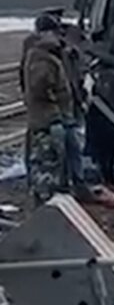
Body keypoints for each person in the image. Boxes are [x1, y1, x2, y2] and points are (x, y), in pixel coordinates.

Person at [21, 13, 78, 203]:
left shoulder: (44, 54)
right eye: (54, 32)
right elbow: (40, 89)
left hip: (49, 118)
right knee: (47, 163)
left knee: (50, 161)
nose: (57, 36)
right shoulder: (43, 58)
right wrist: (56, 110)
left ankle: (50, 198)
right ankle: (45, 202)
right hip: (48, 119)